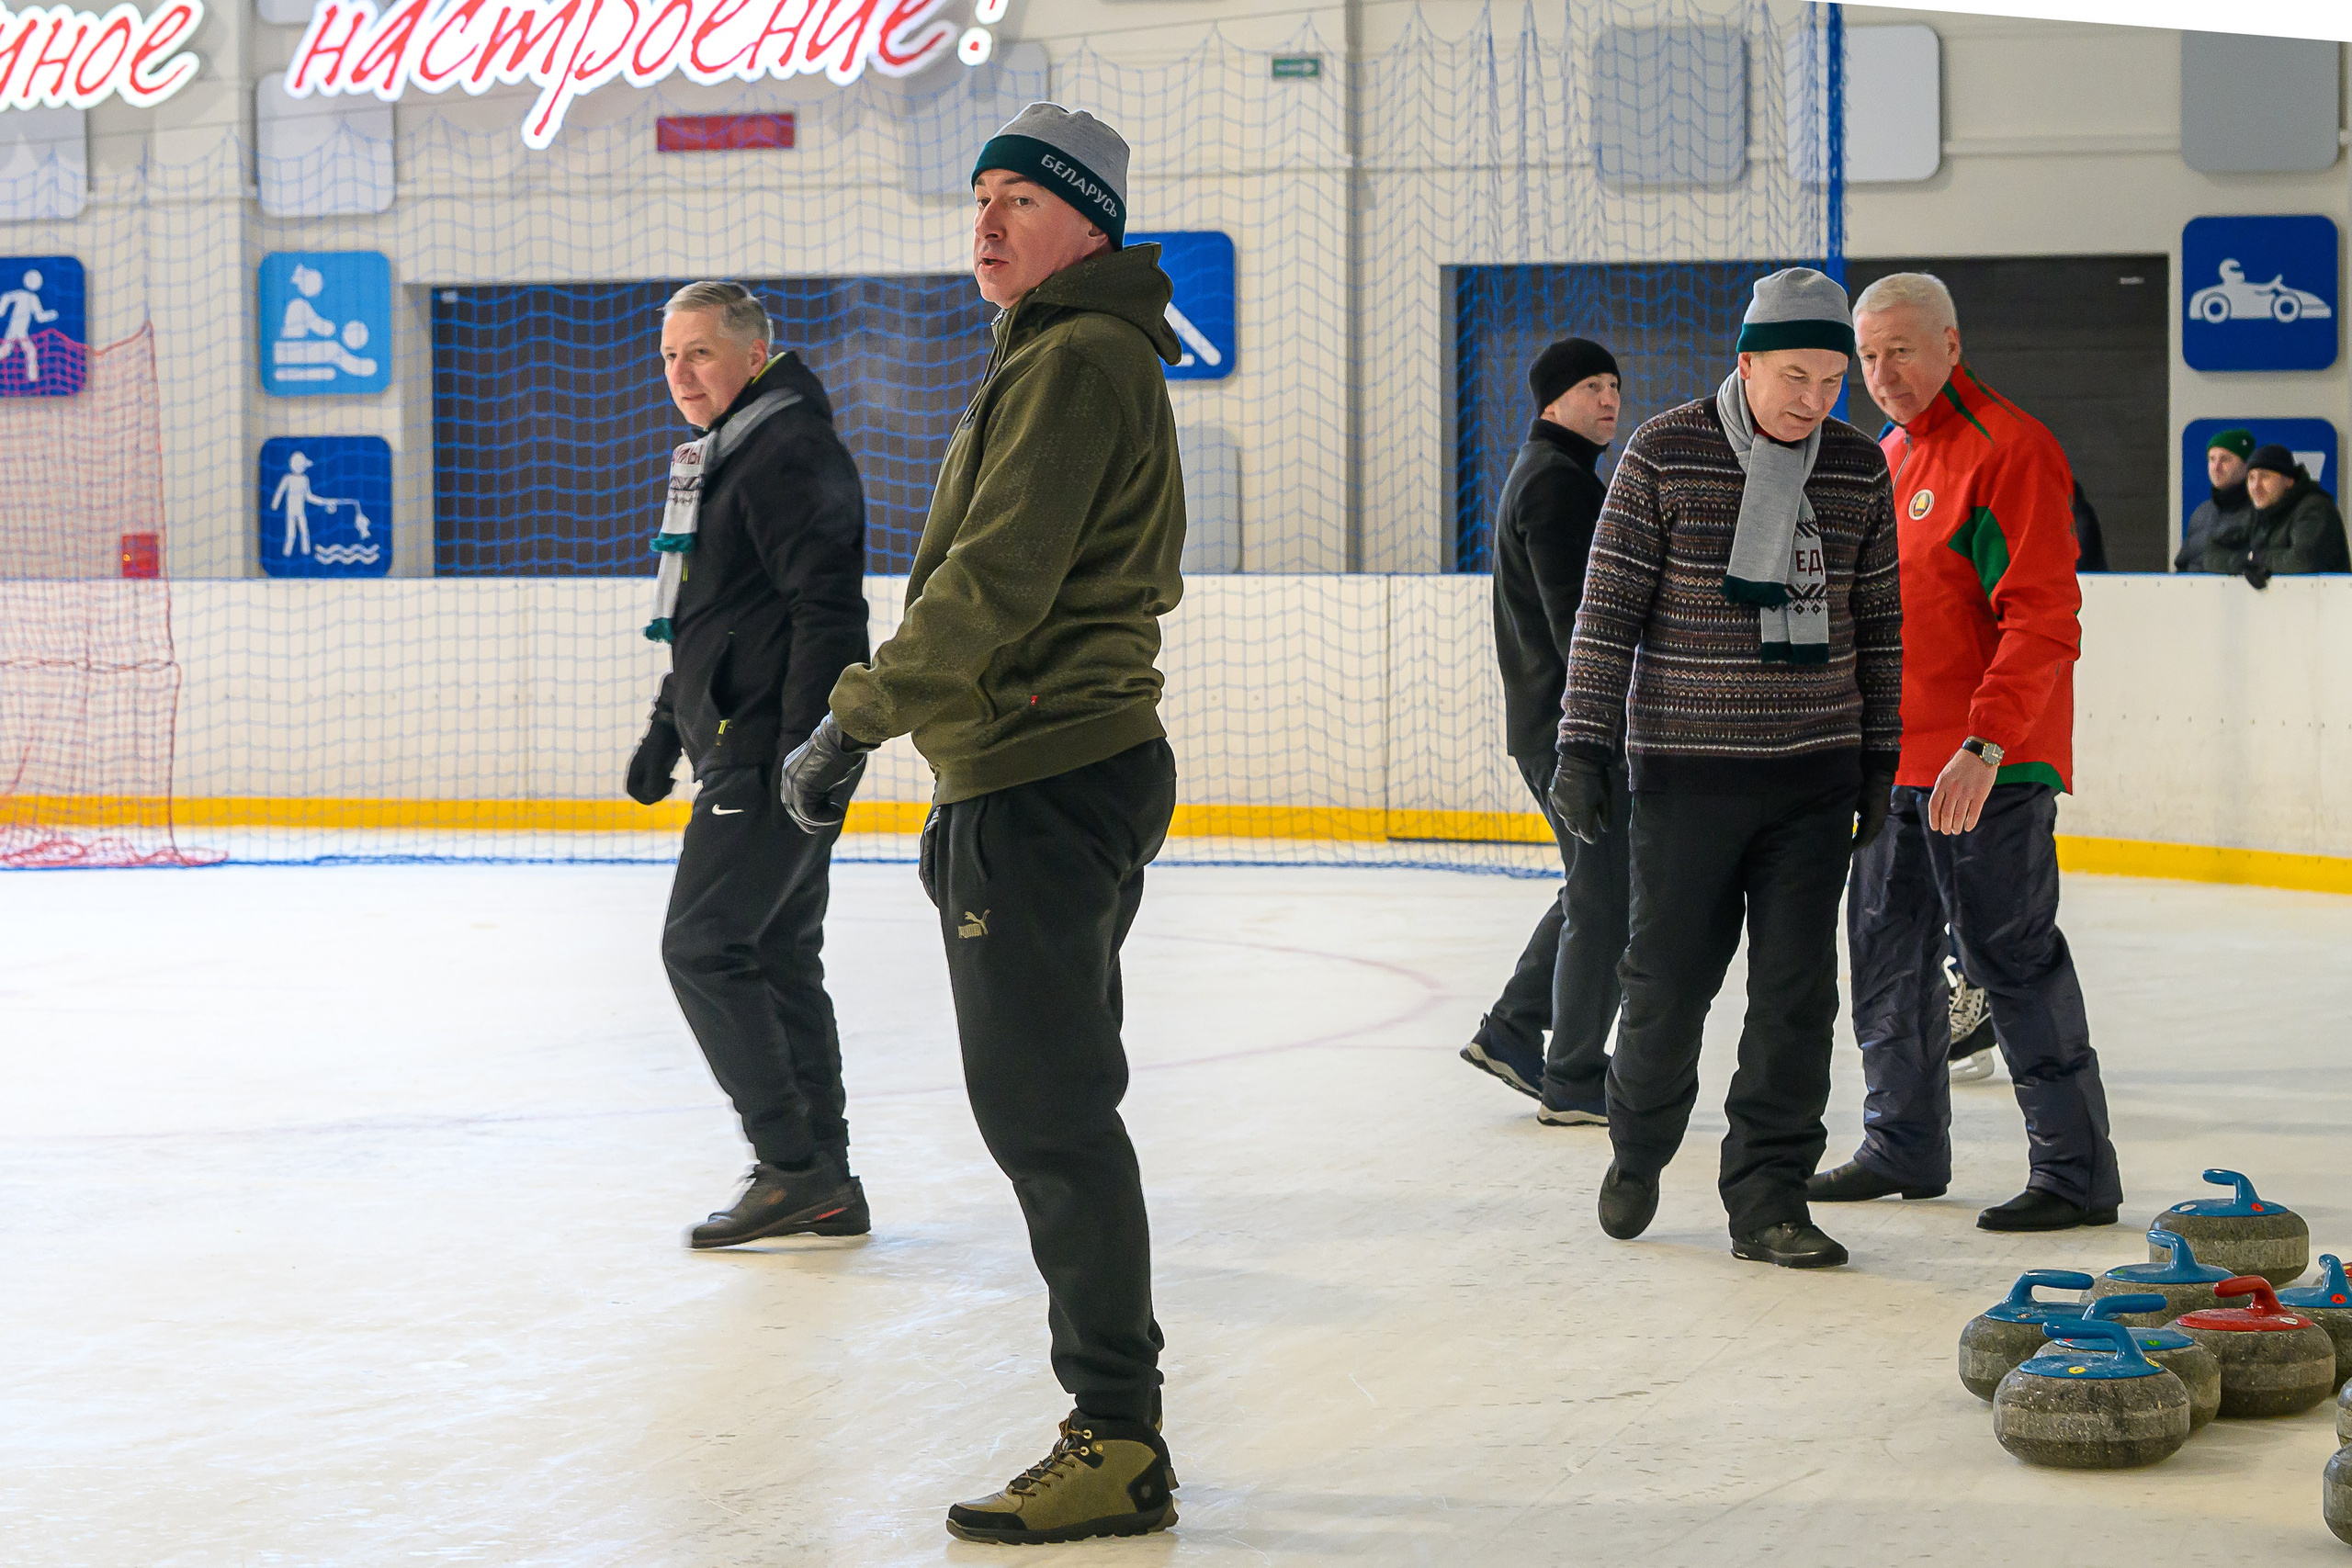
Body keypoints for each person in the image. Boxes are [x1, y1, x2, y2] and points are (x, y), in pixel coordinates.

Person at [779, 103, 1186, 1545]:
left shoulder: (1076, 356)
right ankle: (1117, 1422)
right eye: (980, 197)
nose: (988, 220)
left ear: (1087, 219)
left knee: (1049, 1109)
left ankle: (1119, 1439)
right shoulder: (1060, 347)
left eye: (1020, 196)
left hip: (1040, 768)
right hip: (1040, 767)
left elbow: (993, 581)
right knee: (1052, 1100)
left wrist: (853, 716)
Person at [1554, 267, 1902, 1270]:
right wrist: (1583, 742)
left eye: (1834, 381)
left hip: (1813, 776)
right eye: (1795, 375)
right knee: (1665, 986)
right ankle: (1639, 1142)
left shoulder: (1856, 469)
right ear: (1744, 362)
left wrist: (1879, 760)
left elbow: (1878, 624)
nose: (1814, 400)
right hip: (1686, 775)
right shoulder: (1664, 452)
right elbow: (1607, 611)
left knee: (1797, 999)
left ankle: (1769, 1197)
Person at [1812, 270, 2122, 1233]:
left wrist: (1986, 744)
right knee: (1884, 956)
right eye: (1867, 357)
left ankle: (2074, 1174)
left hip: (1990, 768)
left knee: (2007, 960)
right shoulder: (1888, 455)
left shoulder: (2009, 451)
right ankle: (1900, 1141)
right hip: (1896, 764)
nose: (1882, 373)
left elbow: (2043, 617)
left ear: (1951, 343)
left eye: (1899, 350)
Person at [624, 281, 873, 1250]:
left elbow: (828, 611)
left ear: (755, 354)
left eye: (702, 353)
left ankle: (791, 1165)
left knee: (702, 947)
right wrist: (663, 725)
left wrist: (810, 748)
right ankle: (826, 1183)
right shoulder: (724, 451)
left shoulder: (786, 448)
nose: (683, 375)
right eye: (670, 357)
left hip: (771, 753)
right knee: (772, 955)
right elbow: (712, 615)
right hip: (740, 744)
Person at [1463, 335, 1624, 1126]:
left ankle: (1515, 1029)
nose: (1609, 400)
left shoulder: (1553, 475)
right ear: (1550, 400)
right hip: (1573, 731)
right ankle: (1572, 1074)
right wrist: (1604, 727)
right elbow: (1579, 628)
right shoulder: (1558, 484)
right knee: (1609, 896)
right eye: (1591, 386)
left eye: (1614, 386)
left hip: (1556, 725)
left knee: (1599, 888)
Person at [2204, 444, 2350, 581]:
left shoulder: (2314, 507)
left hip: (2324, 603)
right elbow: (2210, 554)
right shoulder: (2258, 511)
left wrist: (2257, 558)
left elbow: (2303, 560)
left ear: (2288, 481)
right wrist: (2242, 563)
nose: (2256, 486)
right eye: (2251, 478)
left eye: (2265, 476)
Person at [2177, 429, 2254, 572]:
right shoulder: (2200, 513)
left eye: (2225, 459)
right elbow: (2182, 566)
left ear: (2246, 466)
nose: (2216, 467)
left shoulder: (2259, 512)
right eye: (2212, 459)